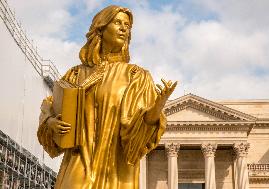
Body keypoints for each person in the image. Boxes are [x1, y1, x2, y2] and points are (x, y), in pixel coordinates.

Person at [37, 5, 177, 189]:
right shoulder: (75, 74)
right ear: (101, 28)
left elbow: (138, 133)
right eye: (117, 22)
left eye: (127, 25)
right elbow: (50, 107)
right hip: (78, 163)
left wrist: (158, 106)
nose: (124, 28)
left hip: (115, 171)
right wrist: (50, 123)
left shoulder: (136, 76)